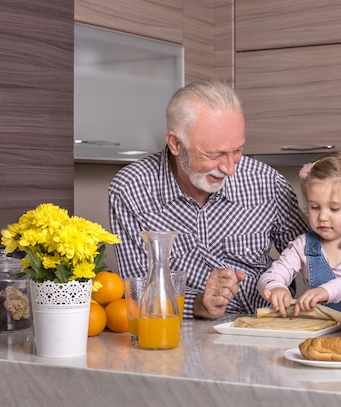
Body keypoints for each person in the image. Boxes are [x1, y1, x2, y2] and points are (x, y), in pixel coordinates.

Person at [109, 79, 309, 320]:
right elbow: (138, 291)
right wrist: (199, 304)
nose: (230, 169)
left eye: (237, 151)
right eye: (215, 154)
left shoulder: (267, 182)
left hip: (266, 327)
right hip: (182, 335)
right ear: (175, 143)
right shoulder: (130, 190)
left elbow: (316, 253)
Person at [258, 151, 341, 316]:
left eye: (334, 208)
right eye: (314, 207)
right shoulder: (301, 245)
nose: (323, 217)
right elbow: (270, 275)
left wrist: (326, 291)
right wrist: (276, 287)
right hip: (316, 332)